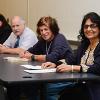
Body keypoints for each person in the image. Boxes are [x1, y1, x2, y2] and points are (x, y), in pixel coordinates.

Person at [42, 12, 100, 100]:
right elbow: (71, 59)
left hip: (94, 88)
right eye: (86, 26)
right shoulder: (84, 44)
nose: (88, 29)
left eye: (93, 26)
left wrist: (73, 68)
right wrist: (55, 64)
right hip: (81, 85)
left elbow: (97, 68)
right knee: (50, 90)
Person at [19, 16, 75, 100]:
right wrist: (25, 52)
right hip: (51, 73)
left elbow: (52, 57)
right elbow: (31, 50)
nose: (43, 32)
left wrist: (32, 57)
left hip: (67, 74)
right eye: (41, 30)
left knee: (47, 87)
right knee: (30, 84)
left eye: (46, 29)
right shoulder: (43, 41)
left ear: (53, 29)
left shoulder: (59, 38)